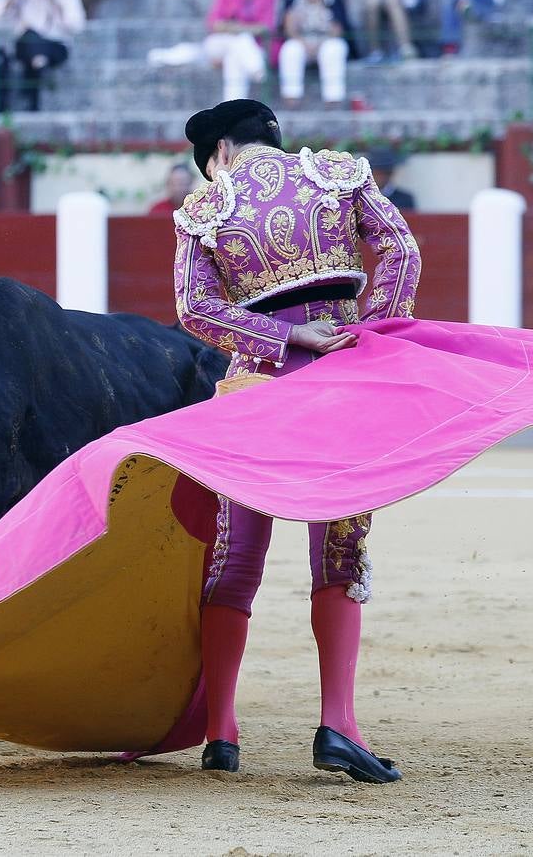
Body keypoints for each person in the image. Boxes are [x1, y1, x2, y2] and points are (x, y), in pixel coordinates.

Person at [173, 99, 420, 780]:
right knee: (339, 549)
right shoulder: (337, 174)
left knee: (236, 558)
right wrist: (375, 334)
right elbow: (400, 247)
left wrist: (280, 337)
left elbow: (195, 309)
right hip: (342, 378)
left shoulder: (206, 209)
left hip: (256, 388)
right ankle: (338, 725)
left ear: (221, 152)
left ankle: (221, 732)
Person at [0, 0, 85, 111]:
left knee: (37, 44)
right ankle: (39, 63)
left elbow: (75, 25)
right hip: (25, 44)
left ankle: (37, 66)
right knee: (31, 37)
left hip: (55, 45)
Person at [278, 0, 355, 107]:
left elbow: (339, 28)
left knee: (332, 49)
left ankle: (333, 100)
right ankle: (291, 98)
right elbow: (288, 30)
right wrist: (305, 43)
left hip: (327, 39)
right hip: (302, 41)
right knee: (290, 50)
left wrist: (319, 43)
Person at [203, 0, 276, 101]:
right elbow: (214, 23)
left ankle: (231, 109)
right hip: (219, 43)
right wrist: (246, 29)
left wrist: (233, 27)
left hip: (247, 47)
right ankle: (257, 69)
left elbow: (266, 27)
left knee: (234, 58)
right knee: (241, 39)